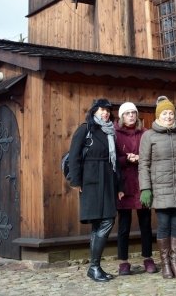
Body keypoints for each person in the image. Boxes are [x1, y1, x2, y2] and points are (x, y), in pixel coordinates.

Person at [138, 96, 176, 279]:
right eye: (164, 113)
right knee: (164, 226)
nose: (168, 116)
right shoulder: (148, 136)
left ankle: (175, 263)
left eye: (171, 113)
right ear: (158, 115)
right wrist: (145, 189)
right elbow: (143, 164)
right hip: (160, 189)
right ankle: (165, 264)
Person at [67, 98, 123, 282]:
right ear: (94, 111)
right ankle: (94, 267)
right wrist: (76, 181)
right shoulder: (85, 129)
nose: (105, 113)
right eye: (101, 110)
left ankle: (94, 267)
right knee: (102, 221)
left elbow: (115, 162)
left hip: (107, 180)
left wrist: (119, 185)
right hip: (91, 180)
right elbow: (74, 156)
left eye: (107, 110)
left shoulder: (110, 132)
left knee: (104, 221)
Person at [113, 101, 156, 276]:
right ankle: (123, 261)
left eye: (133, 113)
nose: (131, 115)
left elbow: (152, 154)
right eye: (127, 113)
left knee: (145, 224)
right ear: (122, 116)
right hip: (123, 183)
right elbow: (112, 158)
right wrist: (125, 159)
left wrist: (140, 158)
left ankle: (148, 258)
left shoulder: (145, 133)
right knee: (124, 225)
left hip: (141, 182)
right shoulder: (115, 134)